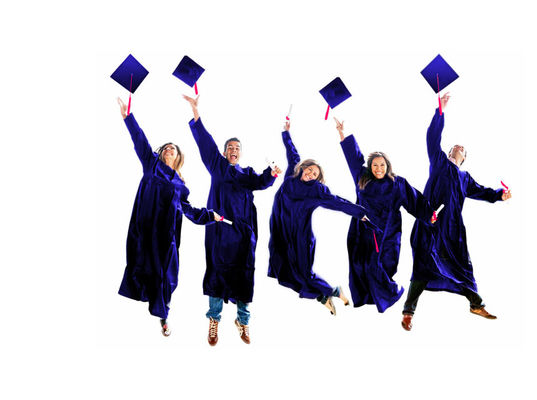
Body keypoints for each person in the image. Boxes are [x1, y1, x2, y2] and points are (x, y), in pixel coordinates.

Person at [402, 93, 512, 331]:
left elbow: (482, 192)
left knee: (462, 265)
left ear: (464, 158)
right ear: (450, 152)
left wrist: (499, 195)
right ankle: (408, 312)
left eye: (462, 148)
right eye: (455, 146)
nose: (458, 147)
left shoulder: (465, 178)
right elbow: (432, 137)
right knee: (422, 264)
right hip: (430, 222)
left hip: (452, 230)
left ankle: (476, 304)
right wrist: (440, 111)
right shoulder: (439, 162)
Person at [116, 98, 220, 337]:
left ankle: (163, 314)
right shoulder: (151, 165)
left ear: (178, 156)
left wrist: (210, 215)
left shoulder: (181, 186)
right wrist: (127, 116)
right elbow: (139, 140)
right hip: (145, 228)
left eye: (173, 148)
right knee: (142, 265)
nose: (168, 149)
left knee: (168, 274)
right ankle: (149, 301)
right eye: (165, 148)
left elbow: (189, 211)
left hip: (166, 235)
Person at [183, 95, 281, 346]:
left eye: (237, 148)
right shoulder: (217, 166)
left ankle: (243, 320)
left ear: (240, 153)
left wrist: (272, 173)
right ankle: (214, 319)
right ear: (225, 152)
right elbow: (205, 142)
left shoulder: (246, 174)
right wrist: (196, 112)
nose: (234, 151)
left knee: (244, 275)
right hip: (219, 231)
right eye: (230, 148)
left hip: (243, 234)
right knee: (216, 272)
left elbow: (261, 181)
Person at [334, 118, 436, 313]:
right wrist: (342, 133)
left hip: (389, 231)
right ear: (370, 167)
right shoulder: (362, 178)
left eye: (382, 165)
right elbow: (353, 157)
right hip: (363, 230)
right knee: (362, 264)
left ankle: (388, 293)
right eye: (375, 165)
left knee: (384, 264)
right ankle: (370, 297)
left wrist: (429, 214)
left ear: (387, 165)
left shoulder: (397, 183)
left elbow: (414, 200)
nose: (378, 169)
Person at [268, 120, 368, 316]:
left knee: (304, 273)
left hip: (301, 237)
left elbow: (337, 202)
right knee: (284, 272)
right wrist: (286, 133)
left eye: (315, 174)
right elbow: (292, 153)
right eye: (310, 170)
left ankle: (333, 291)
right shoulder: (291, 175)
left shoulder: (316, 190)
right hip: (281, 234)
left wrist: (360, 212)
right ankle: (323, 297)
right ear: (303, 168)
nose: (311, 174)